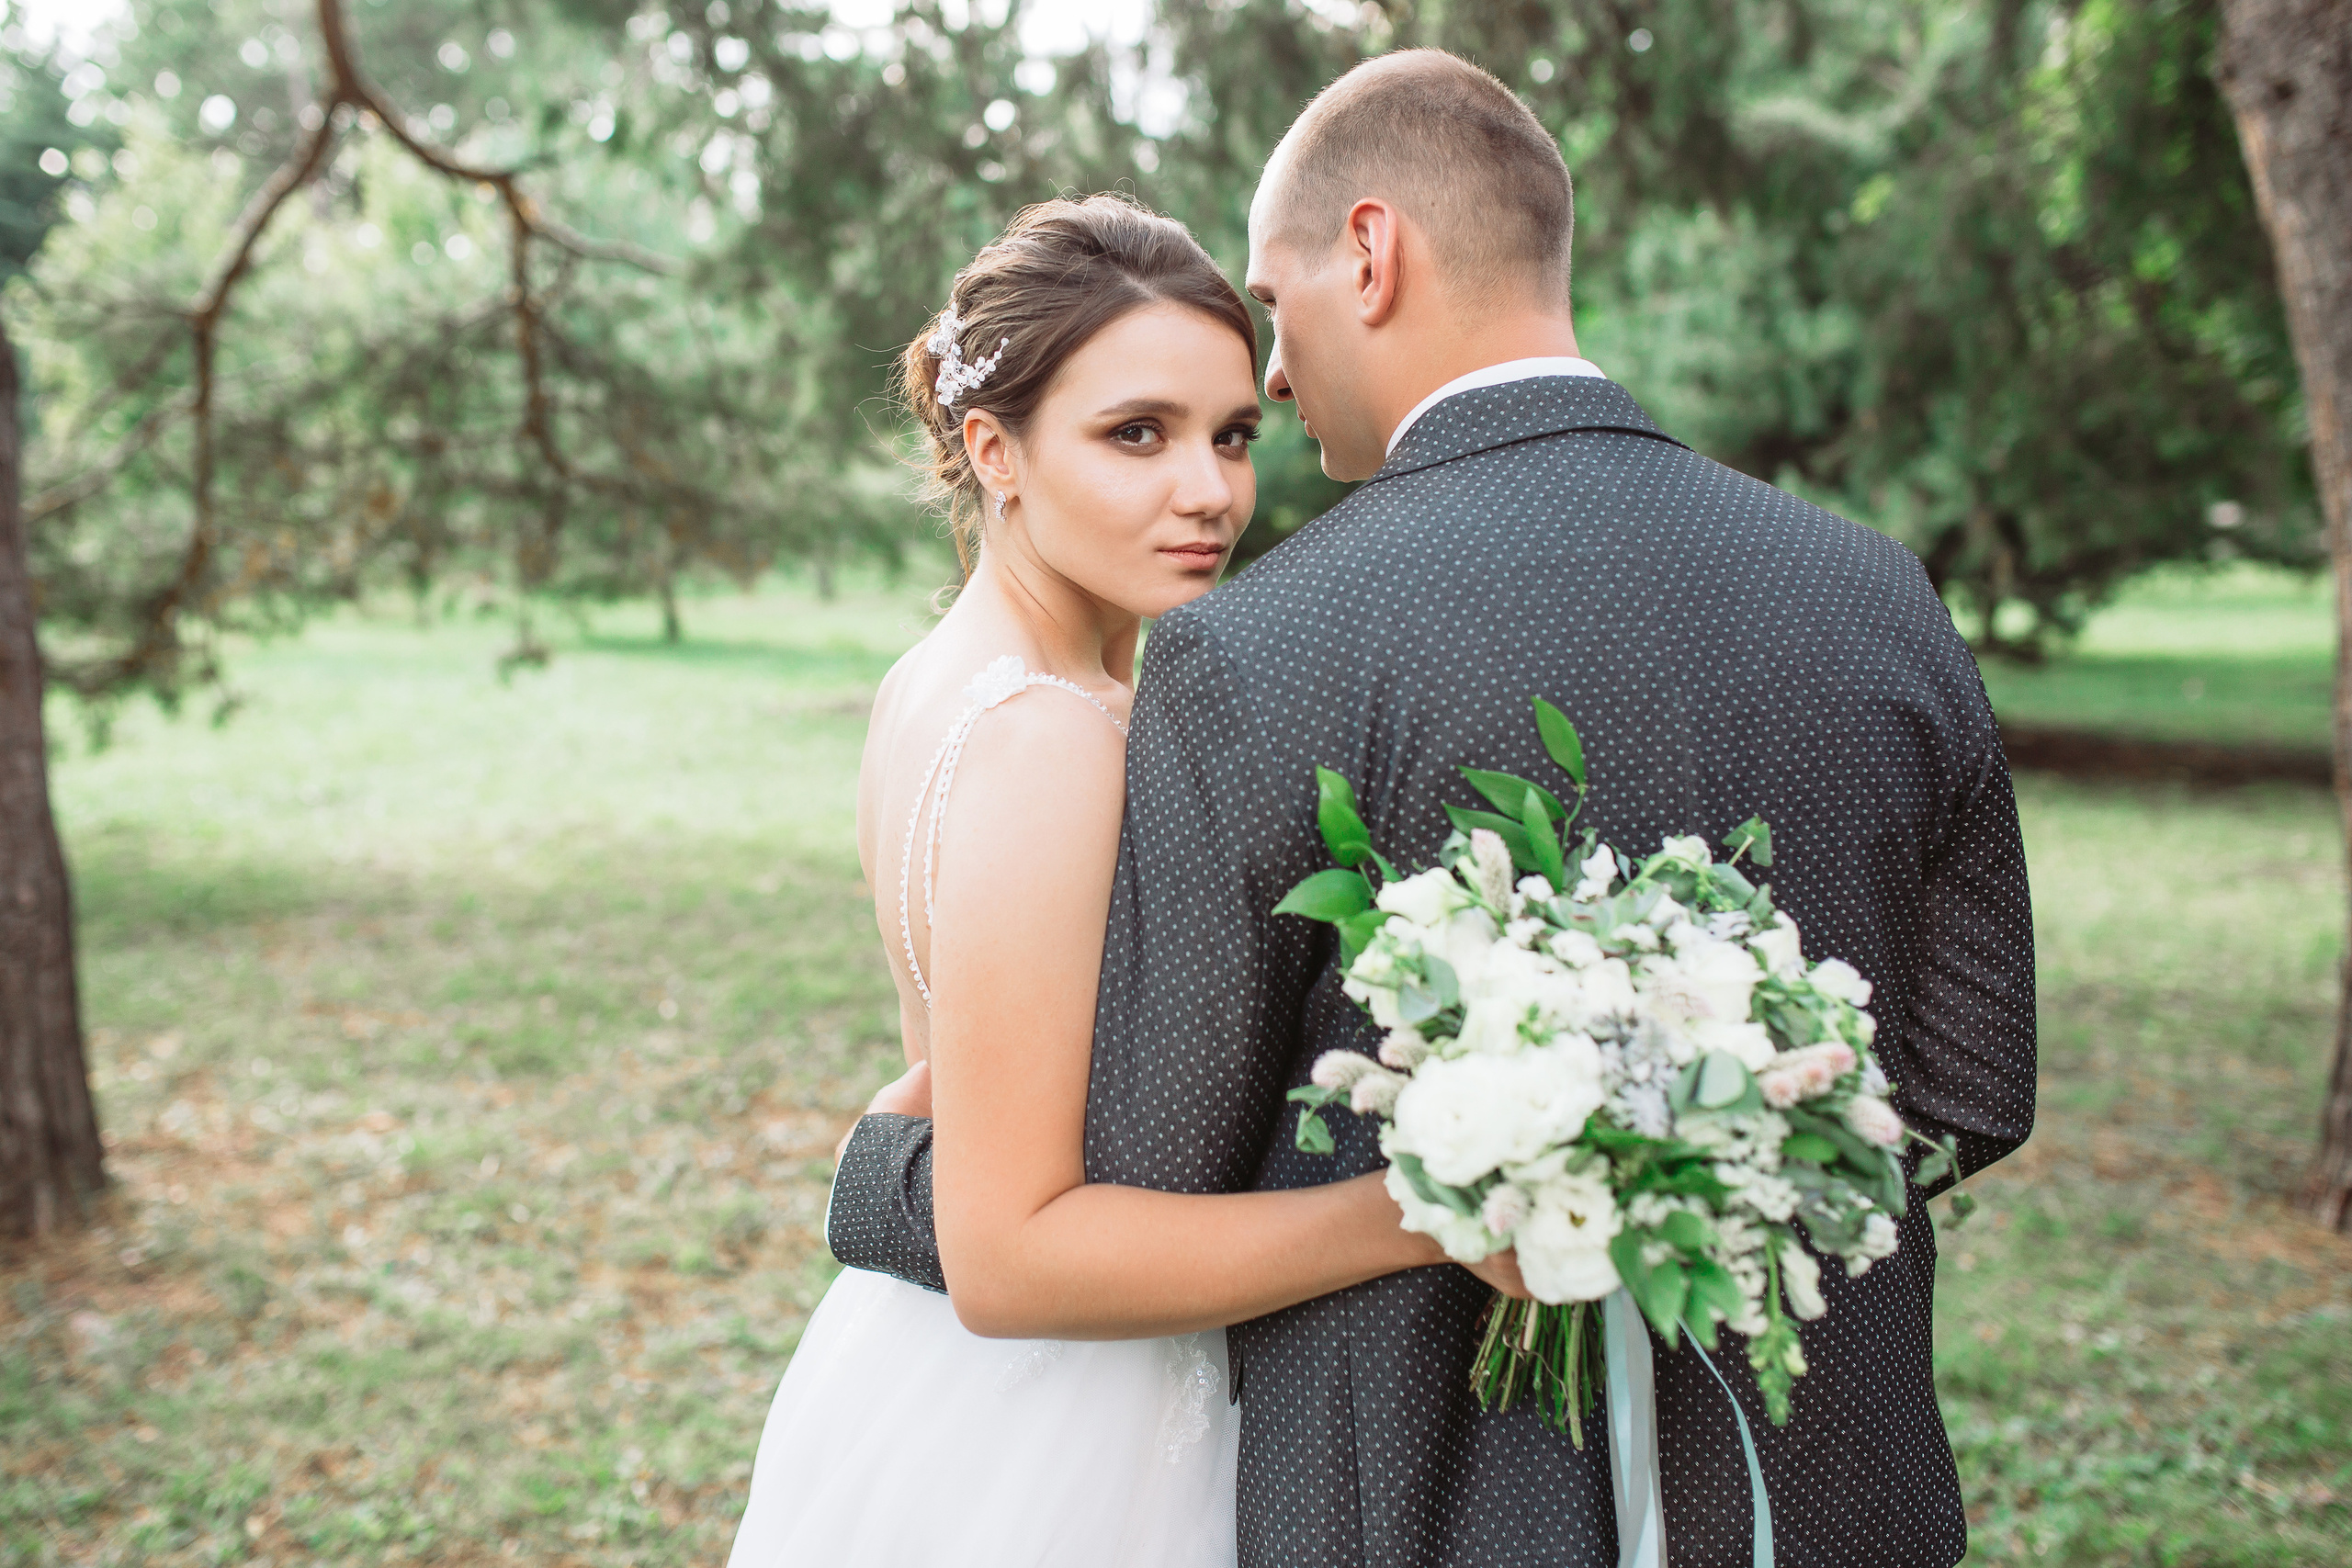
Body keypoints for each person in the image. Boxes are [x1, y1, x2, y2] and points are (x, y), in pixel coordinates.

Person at [826, 49, 2038, 1568]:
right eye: (1145, 432)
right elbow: (1974, 1093)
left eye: (1272, 313)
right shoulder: (1881, 590)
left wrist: (883, 1184)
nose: (1265, 385)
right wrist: (1693, 1160)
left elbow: (1147, 1160)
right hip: (1827, 1480)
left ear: (1371, 253)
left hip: (1417, 1497)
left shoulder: (1261, 648)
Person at [724, 196, 1474, 1568]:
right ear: (993, 450)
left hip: (946, 1376)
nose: (1209, 492)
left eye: (1232, 434)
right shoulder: (1044, 740)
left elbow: (966, 1086)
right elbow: (1009, 1255)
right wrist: (1419, 1213)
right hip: (1062, 1431)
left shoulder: (943, 683)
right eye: (1138, 434)